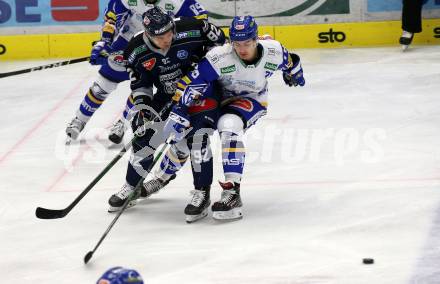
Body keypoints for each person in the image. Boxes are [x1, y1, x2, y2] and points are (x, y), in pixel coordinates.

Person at [162, 15, 305, 221]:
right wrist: (180, 110)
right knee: (191, 135)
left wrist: (294, 72)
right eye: (237, 43)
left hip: (251, 99)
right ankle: (161, 177)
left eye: (247, 42)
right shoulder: (220, 57)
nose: (242, 48)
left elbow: (290, 60)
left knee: (229, 125)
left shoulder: (273, 51)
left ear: (256, 39)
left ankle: (232, 192)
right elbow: (195, 81)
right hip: (218, 97)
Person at [107, 7, 226, 219]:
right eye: (161, 36)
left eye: (170, 32)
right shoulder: (135, 50)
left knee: (197, 136)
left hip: (202, 90)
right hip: (167, 95)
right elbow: (140, 85)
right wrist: (144, 108)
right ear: (148, 34)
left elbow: (221, 43)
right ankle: (131, 186)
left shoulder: (192, 28)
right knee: (144, 135)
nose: (168, 38)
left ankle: (202, 192)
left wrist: (205, 64)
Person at [65, 0, 208, 143]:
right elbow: (112, 17)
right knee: (104, 83)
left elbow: (201, 21)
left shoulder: (177, 2)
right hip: (127, 42)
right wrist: (105, 41)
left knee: (141, 87)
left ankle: (123, 122)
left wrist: (193, 52)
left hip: (163, 46)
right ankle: (79, 120)